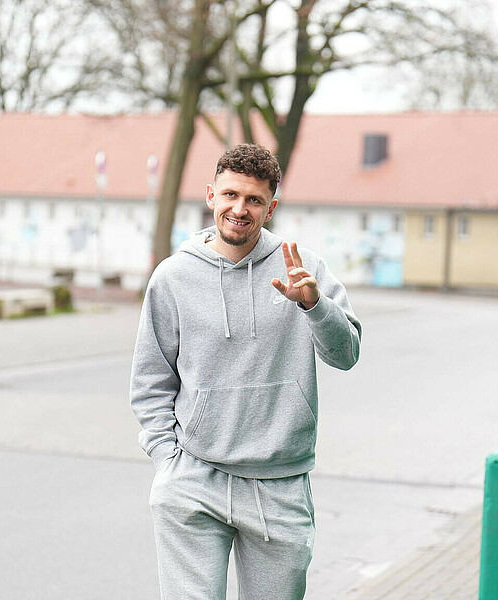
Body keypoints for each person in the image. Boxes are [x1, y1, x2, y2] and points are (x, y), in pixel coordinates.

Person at [130, 143, 362, 600]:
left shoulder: (304, 267)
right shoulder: (173, 277)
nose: (240, 209)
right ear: (211, 195)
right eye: (231, 195)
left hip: (280, 484)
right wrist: (168, 461)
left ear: (270, 207)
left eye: (254, 200)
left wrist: (315, 307)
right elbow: (150, 382)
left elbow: (346, 354)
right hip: (194, 478)